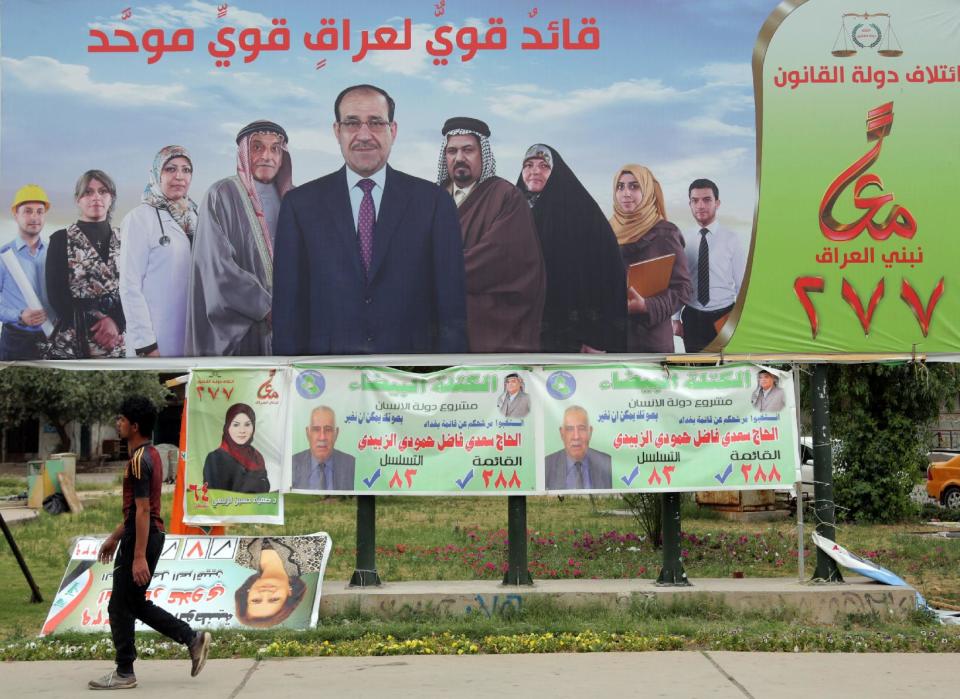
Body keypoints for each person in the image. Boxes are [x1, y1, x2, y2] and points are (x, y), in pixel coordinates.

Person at [272, 84, 467, 355]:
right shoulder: (300, 205)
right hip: (324, 383)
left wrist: (445, 382)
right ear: (337, 131)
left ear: (393, 131)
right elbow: (287, 313)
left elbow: (452, 312)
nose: (364, 135)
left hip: (412, 380)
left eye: (376, 122)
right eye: (352, 123)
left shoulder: (433, 202)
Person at [88, 396, 210, 690]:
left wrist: (138, 555)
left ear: (135, 425)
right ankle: (188, 641)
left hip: (142, 539)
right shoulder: (151, 454)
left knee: (122, 606)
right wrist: (113, 538)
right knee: (129, 604)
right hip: (143, 535)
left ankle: (127, 671)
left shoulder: (139, 461)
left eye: (121, 419)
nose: (117, 424)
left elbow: (143, 510)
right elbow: (136, 511)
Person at [436, 117, 545, 351]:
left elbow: (498, 258)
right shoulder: (431, 198)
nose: (459, 158)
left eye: (468, 150)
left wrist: (431, 271)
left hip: (486, 328)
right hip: (437, 324)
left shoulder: (506, 196)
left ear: (483, 154)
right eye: (452, 151)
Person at [185, 121, 293, 356]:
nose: (267, 156)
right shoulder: (221, 195)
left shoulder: (296, 198)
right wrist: (266, 307)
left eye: (275, 148)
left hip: (294, 324)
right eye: (257, 147)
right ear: (243, 152)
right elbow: (216, 266)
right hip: (246, 327)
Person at [516, 145, 626, 353]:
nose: (535, 171)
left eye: (544, 166)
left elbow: (610, 275)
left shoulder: (582, 212)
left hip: (574, 336)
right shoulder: (513, 211)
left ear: (556, 172)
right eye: (528, 165)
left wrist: (598, 337)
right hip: (526, 334)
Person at [118, 146, 198, 357]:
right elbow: (129, 286)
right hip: (156, 341)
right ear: (156, 174)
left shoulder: (197, 217)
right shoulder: (139, 218)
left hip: (193, 338)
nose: (179, 176)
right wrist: (146, 344)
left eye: (186, 170)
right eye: (170, 169)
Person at [44, 170, 125, 359]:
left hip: (119, 340)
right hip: (75, 342)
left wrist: (117, 323)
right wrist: (101, 321)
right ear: (77, 199)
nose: (96, 197)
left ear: (111, 197)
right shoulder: (60, 239)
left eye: (103, 191)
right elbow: (56, 296)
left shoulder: (126, 238)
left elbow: (138, 287)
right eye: (88, 192)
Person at [611, 164, 692, 353]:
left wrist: (647, 306)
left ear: (647, 191)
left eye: (634, 186)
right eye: (620, 186)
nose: (626, 193)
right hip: (613, 342)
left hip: (651, 343)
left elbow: (684, 289)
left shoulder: (666, 233)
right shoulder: (606, 231)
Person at [678, 178, 746, 353]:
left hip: (724, 315)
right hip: (692, 316)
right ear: (690, 204)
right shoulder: (682, 239)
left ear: (717, 203)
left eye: (707, 200)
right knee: (695, 374)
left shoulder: (732, 239)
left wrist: (740, 320)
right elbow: (678, 282)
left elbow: (742, 284)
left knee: (724, 372)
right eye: (695, 200)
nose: (700, 205)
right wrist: (675, 318)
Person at [0, 185, 53, 359]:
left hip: (51, 337)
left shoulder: (53, 253)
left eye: (39, 211)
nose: (34, 217)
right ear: (15, 214)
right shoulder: (3, 256)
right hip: (16, 340)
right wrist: (19, 316)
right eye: (28, 211)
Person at [234, 536, 327, 628]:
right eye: (274, 599)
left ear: (248, 593)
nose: (266, 593)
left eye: (256, 600)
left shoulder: (241, 557)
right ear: (290, 593)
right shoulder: (312, 562)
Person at [203, 403, 271, 492]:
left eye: (247, 425)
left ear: (253, 427)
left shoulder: (257, 457)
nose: (242, 430)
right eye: (236, 425)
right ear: (227, 427)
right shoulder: (215, 458)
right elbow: (213, 496)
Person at [545, 405, 612, 489]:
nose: (576, 436)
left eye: (581, 428)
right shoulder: (547, 465)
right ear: (562, 433)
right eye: (570, 429)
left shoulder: (607, 462)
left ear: (590, 432)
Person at [291, 406, 356, 490]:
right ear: (308, 433)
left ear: (336, 433)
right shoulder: (292, 464)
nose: (322, 437)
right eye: (316, 429)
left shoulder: (352, 464)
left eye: (328, 430)